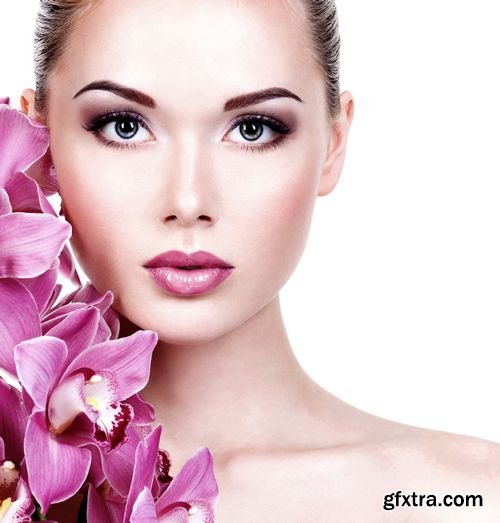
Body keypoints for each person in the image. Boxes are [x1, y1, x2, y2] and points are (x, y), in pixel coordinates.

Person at [18, 0, 500, 520]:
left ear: (333, 146)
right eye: (123, 126)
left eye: (254, 128)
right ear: (36, 144)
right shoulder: (14, 481)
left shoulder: (468, 496)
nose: (188, 202)